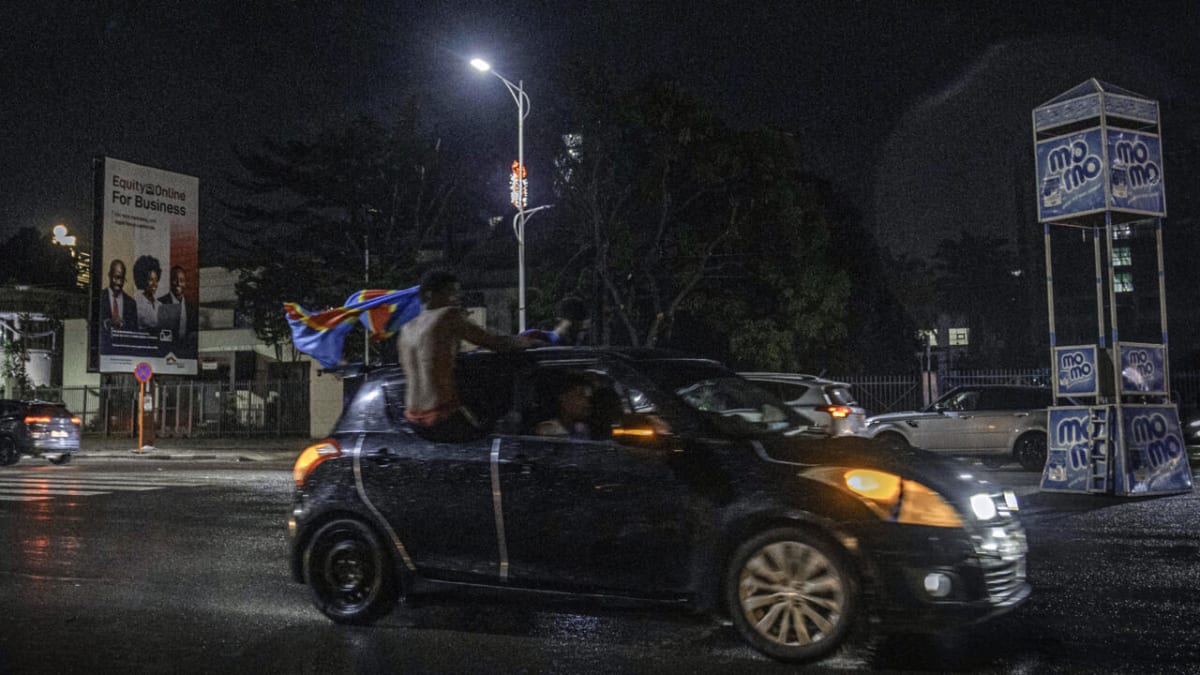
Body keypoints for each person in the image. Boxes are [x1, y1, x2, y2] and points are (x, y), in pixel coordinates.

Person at [399, 269, 534, 442]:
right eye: (451, 292)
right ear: (430, 295)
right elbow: (494, 343)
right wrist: (526, 342)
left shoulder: (407, 328)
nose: (456, 298)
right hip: (441, 413)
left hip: (412, 417)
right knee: (500, 444)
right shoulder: (448, 315)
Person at [535, 372, 595, 439]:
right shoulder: (548, 430)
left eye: (589, 398)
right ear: (563, 398)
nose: (587, 403)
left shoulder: (583, 429)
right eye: (580, 396)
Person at [520, 296, 589, 346]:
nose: (577, 328)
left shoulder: (580, 344)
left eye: (580, 324)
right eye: (573, 322)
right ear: (559, 320)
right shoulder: (534, 335)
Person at [99, 258, 137, 331]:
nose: (119, 282)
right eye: (116, 277)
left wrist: (123, 325)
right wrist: (107, 323)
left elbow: (134, 331)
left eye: (122, 279)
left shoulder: (131, 303)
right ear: (109, 275)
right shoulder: (99, 297)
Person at [158, 265, 192, 339]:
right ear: (169, 282)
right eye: (174, 280)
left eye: (182, 280)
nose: (178, 283)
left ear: (185, 283)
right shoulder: (160, 303)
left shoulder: (191, 307)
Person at [132, 255, 163, 332]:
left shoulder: (160, 305)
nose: (154, 284)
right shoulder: (136, 303)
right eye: (150, 280)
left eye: (156, 280)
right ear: (143, 280)